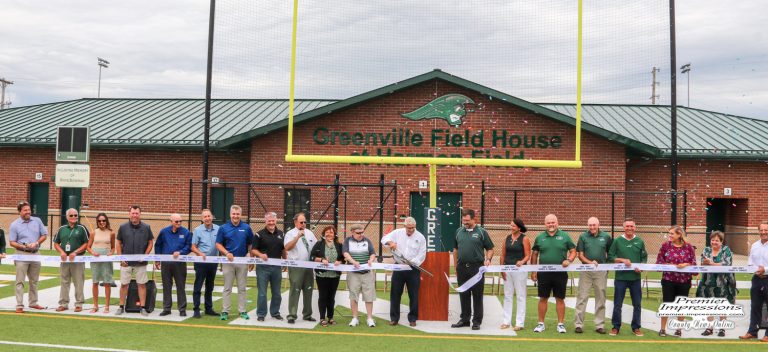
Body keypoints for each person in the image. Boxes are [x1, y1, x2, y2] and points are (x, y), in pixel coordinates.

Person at [531, 214, 576, 334]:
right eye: (549, 223)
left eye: (553, 222)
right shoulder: (540, 237)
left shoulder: (565, 236)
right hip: (544, 273)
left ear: (557, 223)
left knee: (560, 298)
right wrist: (534, 270)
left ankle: (560, 324)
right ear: (545, 224)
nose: (551, 224)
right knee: (543, 298)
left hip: (560, 273)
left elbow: (573, 251)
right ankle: (541, 324)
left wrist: (569, 260)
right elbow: (534, 254)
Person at [451, 209, 494, 331]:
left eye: (467, 220)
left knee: (477, 295)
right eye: (463, 220)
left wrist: (488, 259)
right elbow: (455, 250)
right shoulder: (458, 231)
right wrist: (456, 267)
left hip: (477, 268)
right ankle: (464, 319)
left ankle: (476, 321)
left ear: (474, 219)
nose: (465, 222)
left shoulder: (481, 232)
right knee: (463, 294)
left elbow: (490, 249)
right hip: (462, 267)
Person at [381, 216, 427, 327]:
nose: (410, 230)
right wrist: (390, 242)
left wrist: (412, 262)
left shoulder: (420, 237)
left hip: (413, 268)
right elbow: (383, 239)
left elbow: (422, 254)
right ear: (404, 226)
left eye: (412, 228)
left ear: (415, 226)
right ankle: (394, 318)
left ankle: (413, 318)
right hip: (399, 267)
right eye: (408, 228)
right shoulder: (397, 233)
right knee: (395, 293)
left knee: (414, 295)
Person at [607, 218, 647, 336]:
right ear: (623, 227)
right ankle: (616, 327)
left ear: (635, 227)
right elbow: (610, 257)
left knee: (637, 304)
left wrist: (641, 267)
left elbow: (644, 258)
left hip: (635, 278)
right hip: (621, 278)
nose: (629, 228)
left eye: (632, 226)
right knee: (618, 304)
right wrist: (622, 260)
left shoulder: (640, 241)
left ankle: (636, 327)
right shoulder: (618, 240)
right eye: (627, 226)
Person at [574, 217, 613, 334]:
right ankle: (578, 324)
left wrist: (607, 267)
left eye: (594, 225)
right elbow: (580, 255)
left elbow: (611, 254)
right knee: (582, 297)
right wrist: (590, 263)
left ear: (598, 225)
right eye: (590, 225)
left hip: (600, 271)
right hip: (586, 270)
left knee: (601, 298)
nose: (592, 227)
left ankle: (599, 325)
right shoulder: (583, 237)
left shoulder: (606, 237)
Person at [656, 225, 697, 337]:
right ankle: (662, 329)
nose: (669, 235)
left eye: (672, 233)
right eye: (669, 233)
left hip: (684, 281)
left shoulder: (689, 247)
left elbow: (694, 264)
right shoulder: (665, 246)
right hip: (668, 280)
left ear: (679, 234)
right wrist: (669, 265)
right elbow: (659, 262)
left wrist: (686, 264)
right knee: (667, 304)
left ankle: (679, 329)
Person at [9, 201, 48, 313]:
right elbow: (12, 242)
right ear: (20, 212)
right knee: (20, 281)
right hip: (21, 254)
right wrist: (24, 246)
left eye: (29, 210)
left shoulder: (37, 221)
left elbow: (44, 235)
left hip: (35, 254)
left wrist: (36, 243)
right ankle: (19, 305)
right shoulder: (14, 224)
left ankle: (33, 303)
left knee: (34, 281)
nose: (28, 212)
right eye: (25, 210)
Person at [215, 205, 253, 321]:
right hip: (228, 262)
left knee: (242, 288)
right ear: (230, 214)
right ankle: (225, 311)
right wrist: (226, 253)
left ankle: (242, 311)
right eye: (233, 214)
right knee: (227, 288)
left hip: (242, 261)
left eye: (237, 214)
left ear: (240, 214)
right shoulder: (223, 228)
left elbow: (251, 244)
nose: (235, 216)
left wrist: (250, 257)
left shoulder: (246, 228)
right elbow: (218, 244)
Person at [696, 230, 736, 337]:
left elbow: (727, 264)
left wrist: (712, 263)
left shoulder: (726, 250)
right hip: (708, 282)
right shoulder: (706, 250)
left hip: (723, 282)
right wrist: (705, 262)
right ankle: (709, 328)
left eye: (717, 240)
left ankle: (722, 328)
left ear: (721, 242)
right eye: (712, 240)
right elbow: (702, 263)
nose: (714, 242)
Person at [116, 205, 154, 316]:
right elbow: (118, 242)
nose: (134, 215)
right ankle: (121, 306)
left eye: (136, 213)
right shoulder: (123, 227)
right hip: (126, 262)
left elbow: (150, 242)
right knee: (124, 284)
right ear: (129, 214)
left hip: (141, 263)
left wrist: (145, 255)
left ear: (140, 214)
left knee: (142, 284)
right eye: (133, 213)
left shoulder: (146, 227)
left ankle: (142, 307)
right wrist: (120, 258)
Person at [154, 213, 192, 316]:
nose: (179, 223)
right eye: (176, 221)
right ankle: (166, 308)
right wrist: (157, 259)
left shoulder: (186, 232)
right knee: (166, 286)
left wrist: (180, 252)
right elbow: (158, 245)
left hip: (179, 263)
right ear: (171, 221)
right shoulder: (164, 232)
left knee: (180, 286)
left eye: (180, 221)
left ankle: (182, 309)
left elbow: (189, 246)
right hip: (166, 263)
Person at [53, 208, 90, 313]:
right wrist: (62, 252)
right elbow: (56, 243)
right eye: (72, 215)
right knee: (64, 282)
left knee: (78, 282)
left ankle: (79, 304)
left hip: (77, 260)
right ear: (67, 217)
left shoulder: (82, 228)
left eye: (75, 215)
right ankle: (63, 304)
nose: (74, 217)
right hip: (65, 260)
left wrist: (76, 252)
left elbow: (87, 243)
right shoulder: (62, 228)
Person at [251, 212, 285, 322]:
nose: (271, 222)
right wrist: (260, 255)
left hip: (276, 268)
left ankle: (275, 312)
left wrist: (285, 262)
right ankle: (261, 314)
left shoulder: (281, 234)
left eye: (273, 220)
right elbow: (253, 250)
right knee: (262, 293)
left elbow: (283, 249)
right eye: (269, 221)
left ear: (276, 221)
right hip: (263, 268)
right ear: (265, 221)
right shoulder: (259, 234)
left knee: (277, 292)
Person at [284, 212, 317, 324]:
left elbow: (315, 248)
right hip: (296, 266)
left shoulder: (310, 233)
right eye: (301, 222)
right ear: (295, 222)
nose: (303, 224)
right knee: (295, 290)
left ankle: (307, 314)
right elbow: (287, 248)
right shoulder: (290, 233)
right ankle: (292, 315)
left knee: (308, 290)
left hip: (308, 266)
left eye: (305, 222)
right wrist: (297, 237)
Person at [343, 223, 377, 327]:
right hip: (353, 273)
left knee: (369, 296)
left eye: (362, 232)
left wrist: (371, 260)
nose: (361, 234)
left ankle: (370, 318)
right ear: (352, 232)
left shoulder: (367, 240)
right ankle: (355, 318)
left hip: (367, 273)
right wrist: (353, 261)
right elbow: (345, 253)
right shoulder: (347, 241)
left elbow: (372, 253)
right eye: (358, 233)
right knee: (353, 296)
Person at [500, 218, 531, 331]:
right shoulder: (506, 238)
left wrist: (522, 262)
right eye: (510, 225)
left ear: (519, 227)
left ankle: (519, 323)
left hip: (520, 271)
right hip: (507, 269)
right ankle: (506, 321)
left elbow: (528, 255)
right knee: (507, 295)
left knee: (520, 295)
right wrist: (502, 269)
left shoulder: (525, 238)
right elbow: (502, 255)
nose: (511, 227)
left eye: (513, 226)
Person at [739, 221, 768, 342]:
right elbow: (750, 261)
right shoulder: (755, 245)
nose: (763, 232)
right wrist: (752, 269)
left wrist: (764, 270)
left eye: (766, 230)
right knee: (755, 306)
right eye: (761, 230)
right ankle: (752, 332)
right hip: (756, 279)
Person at [310, 226, 344, 327]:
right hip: (322, 274)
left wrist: (340, 261)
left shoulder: (339, 245)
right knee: (323, 296)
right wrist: (321, 260)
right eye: (327, 232)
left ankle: (331, 317)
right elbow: (311, 257)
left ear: (335, 235)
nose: (329, 234)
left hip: (334, 275)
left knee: (331, 297)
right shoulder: (319, 244)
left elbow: (343, 259)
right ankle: (322, 318)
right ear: (324, 234)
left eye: (331, 232)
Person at [190, 209, 220, 318]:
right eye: (205, 217)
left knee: (210, 286)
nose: (207, 218)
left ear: (212, 217)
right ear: (202, 219)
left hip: (213, 262)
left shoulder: (218, 229)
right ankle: (196, 309)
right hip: (201, 262)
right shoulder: (197, 230)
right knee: (198, 285)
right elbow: (193, 246)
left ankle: (208, 308)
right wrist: (200, 253)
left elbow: (221, 244)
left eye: (209, 216)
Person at [86, 212, 116, 313]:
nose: (101, 222)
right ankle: (95, 306)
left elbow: (113, 248)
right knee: (95, 282)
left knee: (107, 283)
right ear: (97, 222)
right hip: (95, 260)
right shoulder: (93, 233)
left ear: (106, 221)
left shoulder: (111, 233)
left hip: (106, 260)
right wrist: (93, 253)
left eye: (103, 220)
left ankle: (107, 306)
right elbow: (88, 247)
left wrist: (111, 253)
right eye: (99, 221)